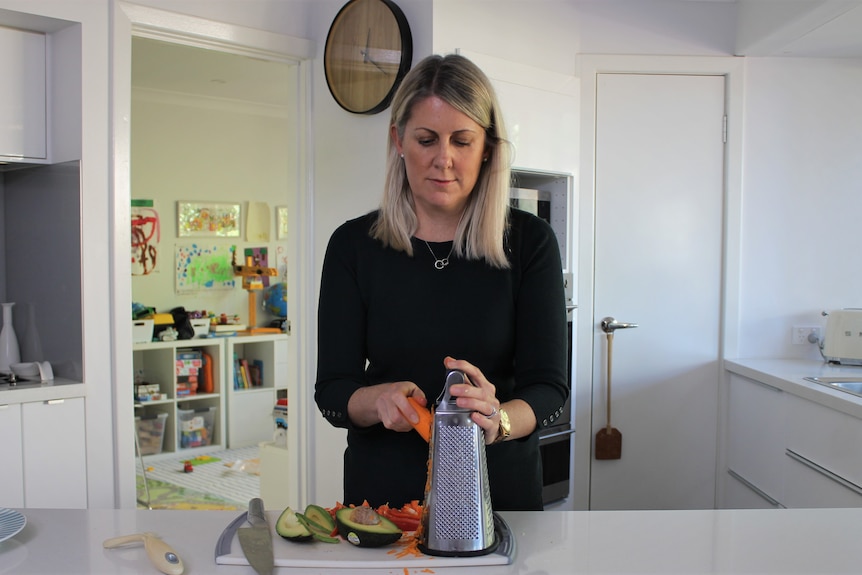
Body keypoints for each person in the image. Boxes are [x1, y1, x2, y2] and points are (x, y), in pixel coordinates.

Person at [314, 53, 568, 511]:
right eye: (427, 139)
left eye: (462, 141)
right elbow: (332, 390)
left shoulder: (531, 243)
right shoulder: (353, 246)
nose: (443, 159)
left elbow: (549, 388)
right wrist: (377, 400)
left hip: (498, 494)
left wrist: (499, 418)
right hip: (384, 504)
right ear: (399, 140)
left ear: (487, 147)